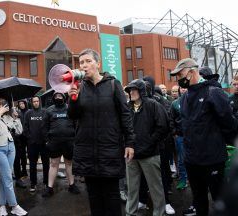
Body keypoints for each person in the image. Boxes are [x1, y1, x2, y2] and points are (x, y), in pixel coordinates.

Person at [68, 48, 135, 216]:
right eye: (81, 62)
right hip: (87, 151)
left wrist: (130, 142)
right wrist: (73, 100)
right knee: (94, 197)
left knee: (112, 197)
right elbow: (73, 116)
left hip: (109, 149)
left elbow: (125, 114)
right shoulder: (80, 87)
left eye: (88, 61)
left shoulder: (113, 84)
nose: (84, 65)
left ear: (98, 64)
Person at [170, 58, 238, 216]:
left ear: (192, 72)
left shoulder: (213, 92)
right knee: (199, 201)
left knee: (220, 200)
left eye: (180, 74)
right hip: (192, 161)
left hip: (212, 160)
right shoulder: (185, 98)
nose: (178, 79)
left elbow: (228, 124)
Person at [124, 79, 167, 216]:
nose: (131, 92)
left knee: (156, 188)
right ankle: (131, 212)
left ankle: (159, 213)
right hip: (131, 155)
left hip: (150, 155)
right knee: (131, 188)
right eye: (130, 90)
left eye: (134, 89)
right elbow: (123, 128)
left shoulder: (153, 105)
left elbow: (163, 127)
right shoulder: (128, 107)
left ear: (142, 91)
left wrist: (149, 142)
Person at [0, 98, 27, 216]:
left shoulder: (8, 117)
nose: (3, 106)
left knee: (5, 177)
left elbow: (19, 131)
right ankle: (14, 206)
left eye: (5, 104)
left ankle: (2, 205)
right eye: (0, 104)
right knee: (8, 177)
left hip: (11, 147)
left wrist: (16, 118)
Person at [42, 92, 80, 197]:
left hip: (69, 141)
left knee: (69, 163)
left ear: (64, 97)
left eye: (60, 96)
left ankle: (72, 185)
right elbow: (44, 127)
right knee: (54, 164)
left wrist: (75, 139)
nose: (58, 98)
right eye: (56, 96)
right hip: (54, 142)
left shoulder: (70, 108)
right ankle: (49, 188)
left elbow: (76, 124)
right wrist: (47, 140)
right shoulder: (49, 110)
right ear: (53, 98)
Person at [24, 96, 49, 192]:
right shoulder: (28, 113)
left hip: (43, 143)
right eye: (34, 101)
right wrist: (30, 139)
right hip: (32, 144)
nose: (36, 103)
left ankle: (46, 182)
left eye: (37, 101)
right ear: (31, 103)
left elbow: (48, 125)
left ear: (40, 102)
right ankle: (33, 183)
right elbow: (25, 128)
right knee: (32, 165)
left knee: (46, 164)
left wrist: (47, 139)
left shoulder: (45, 112)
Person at [14, 100, 29, 188]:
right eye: (20, 104)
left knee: (28, 154)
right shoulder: (18, 113)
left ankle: (25, 169)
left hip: (27, 136)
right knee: (22, 154)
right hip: (20, 137)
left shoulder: (28, 112)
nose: (21, 105)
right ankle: (23, 170)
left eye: (23, 103)